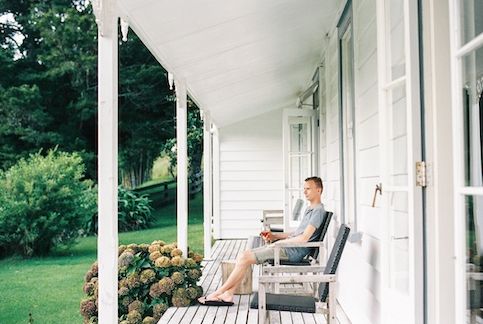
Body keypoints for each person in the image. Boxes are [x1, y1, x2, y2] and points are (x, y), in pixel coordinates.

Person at [198, 176, 326, 306]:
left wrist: (279, 243)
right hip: (287, 247)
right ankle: (228, 294)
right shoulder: (310, 209)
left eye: (308, 189)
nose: (304, 192)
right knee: (244, 256)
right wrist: (274, 236)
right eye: (304, 189)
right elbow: (296, 234)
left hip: (291, 252)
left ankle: (217, 293)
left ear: (319, 190)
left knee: (244, 258)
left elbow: (304, 239)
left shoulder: (318, 211)